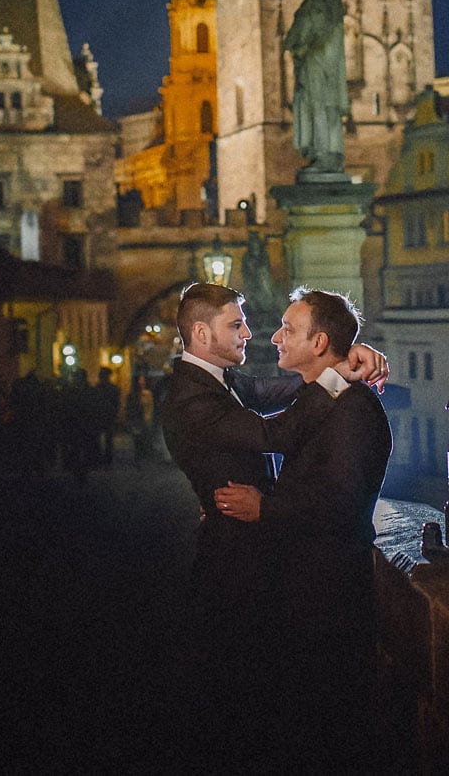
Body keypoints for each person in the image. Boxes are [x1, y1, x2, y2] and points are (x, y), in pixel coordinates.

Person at [161, 282, 387, 756]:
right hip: (235, 561)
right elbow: (274, 432)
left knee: (267, 694)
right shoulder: (189, 396)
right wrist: (334, 373)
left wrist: (342, 362)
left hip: (274, 562)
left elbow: (279, 389)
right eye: (235, 325)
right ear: (201, 333)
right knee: (238, 693)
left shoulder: (222, 380)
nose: (254, 334)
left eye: (286, 329)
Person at [284, 0, 349, 173]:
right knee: (321, 106)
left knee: (319, 105)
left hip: (319, 60)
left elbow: (323, 25)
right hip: (317, 59)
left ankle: (324, 154)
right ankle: (326, 153)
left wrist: (303, 44)